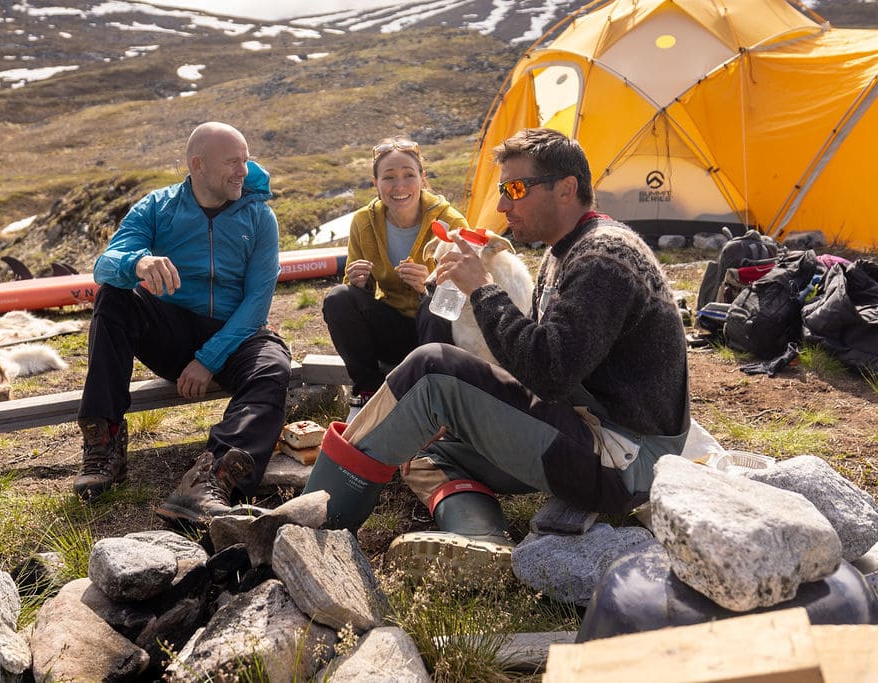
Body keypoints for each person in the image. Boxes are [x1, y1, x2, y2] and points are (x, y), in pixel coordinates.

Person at [303, 127, 690, 568]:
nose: (503, 205)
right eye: (502, 190)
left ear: (567, 189)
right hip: (594, 431)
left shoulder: (603, 258)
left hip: (625, 458)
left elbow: (549, 371)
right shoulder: (566, 251)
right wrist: (472, 410)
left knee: (433, 369)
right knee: (426, 451)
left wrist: (482, 290)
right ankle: (481, 536)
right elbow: (549, 367)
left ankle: (315, 523)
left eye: (516, 189)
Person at [73, 121, 291, 532]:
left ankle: (212, 478)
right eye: (232, 162)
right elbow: (104, 266)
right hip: (170, 331)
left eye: (244, 161)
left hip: (235, 333)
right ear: (198, 165)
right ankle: (105, 446)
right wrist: (136, 263)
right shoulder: (158, 207)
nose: (243, 171)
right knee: (113, 298)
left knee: (273, 366)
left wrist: (208, 360)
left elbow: (257, 301)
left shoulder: (260, 216)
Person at [322, 136, 468, 420]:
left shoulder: (450, 222)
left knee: (434, 303)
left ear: (423, 179)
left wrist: (429, 284)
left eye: (408, 175)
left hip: (442, 336)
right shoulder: (364, 221)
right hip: (394, 332)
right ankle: (368, 393)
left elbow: (468, 291)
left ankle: (433, 400)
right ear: (375, 184)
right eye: (388, 177)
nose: (399, 186)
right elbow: (353, 287)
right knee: (338, 299)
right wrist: (359, 282)